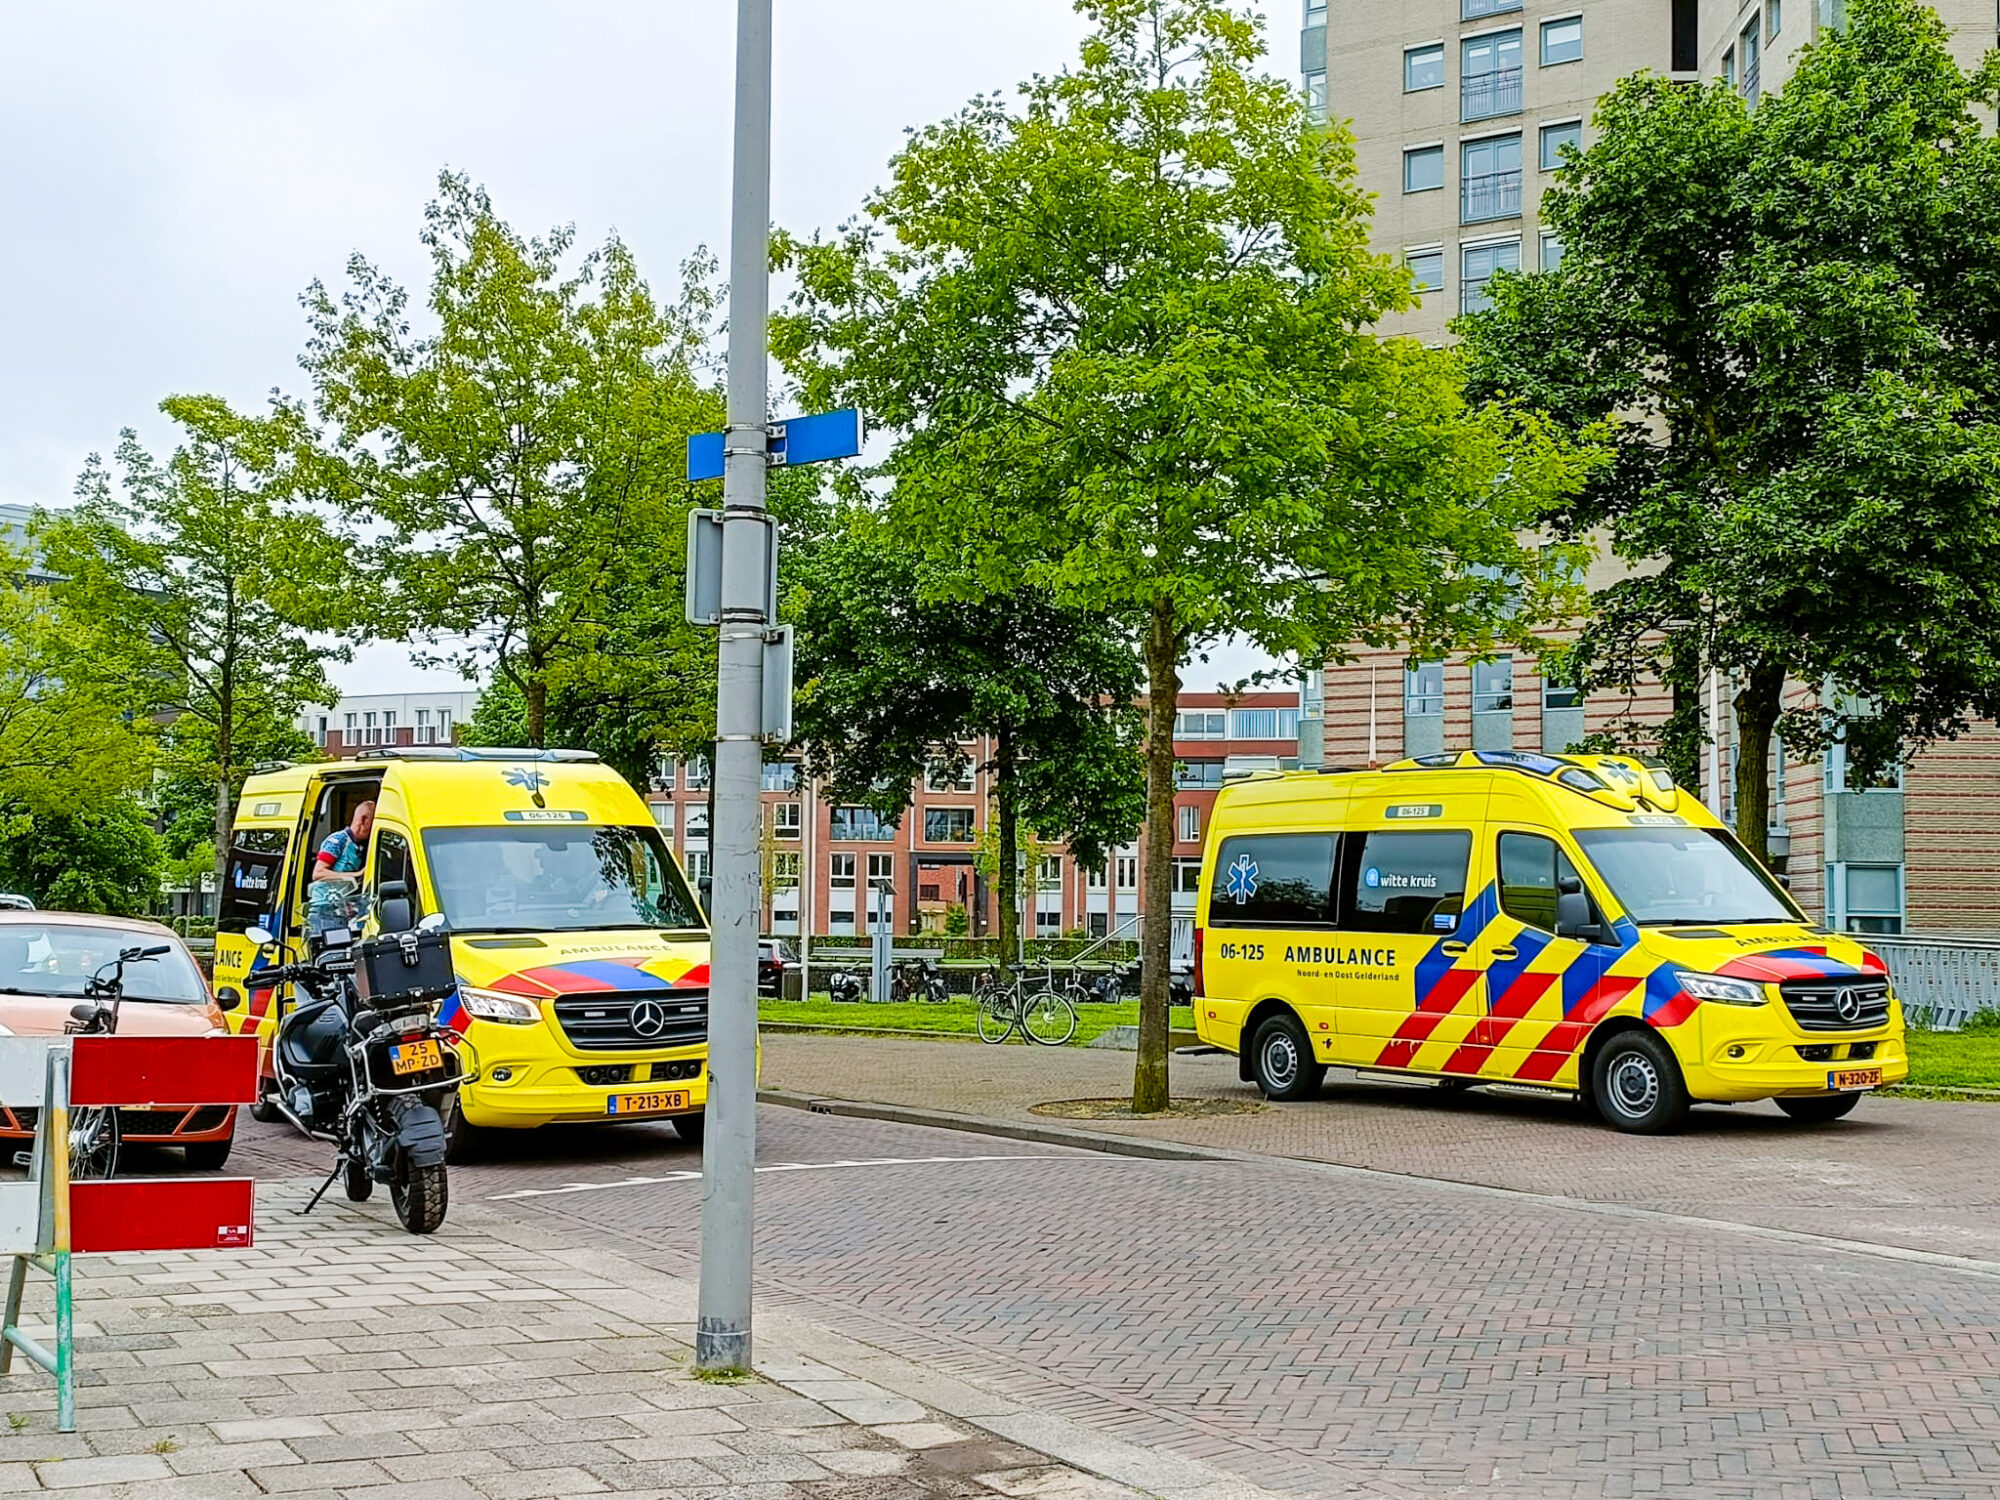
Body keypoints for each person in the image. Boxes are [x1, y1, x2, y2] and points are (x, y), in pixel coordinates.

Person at [306, 800, 374, 938]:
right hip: (324, 910)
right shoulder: (338, 840)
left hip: (339, 909)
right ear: (363, 820)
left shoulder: (359, 846)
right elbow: (318, 873)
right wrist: (356, 875)